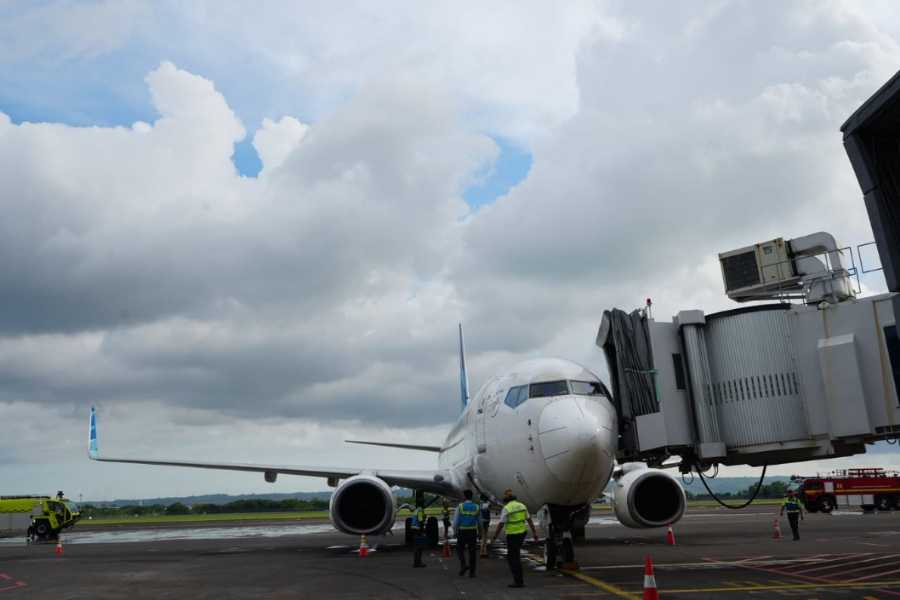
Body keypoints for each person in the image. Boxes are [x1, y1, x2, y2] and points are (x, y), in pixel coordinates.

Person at [490, 489, 539, 588]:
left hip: (513, 534)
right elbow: (529, 520)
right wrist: (534, 533)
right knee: (515, 555)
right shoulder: (522, 505)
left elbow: (501, 524)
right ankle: (519, 579)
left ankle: (518, 581)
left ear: (506, 501)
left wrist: (494, 537)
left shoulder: (507, 508)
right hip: (522, 533)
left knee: (513, 558)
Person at [453, 490, 482, 577]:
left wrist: (455, 531)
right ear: (471, 496)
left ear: (464, 497)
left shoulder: (460, 506)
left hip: (462, 531)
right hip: (472, 531)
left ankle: (463, 565)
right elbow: (480, 522)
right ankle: (472, 573)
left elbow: (455, 522)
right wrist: (480, 532)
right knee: (472, 552)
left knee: (459, 550)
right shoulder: (477, 507)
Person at [412, 501, 428, 567]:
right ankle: (418, 563)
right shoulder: (420, 510)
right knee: (419, 547)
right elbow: (420, 521)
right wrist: (423, 531)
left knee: (416, 547)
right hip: (418, 530)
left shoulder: (416, 510)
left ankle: (416, 562)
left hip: (414, 529)